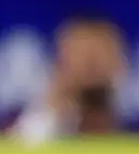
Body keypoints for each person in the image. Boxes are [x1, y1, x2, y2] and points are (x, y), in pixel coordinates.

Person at [7, 16, 129, 144]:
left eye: (100, 55)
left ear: (120, 63)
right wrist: (50, 112)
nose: (90, 65)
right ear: (59, 63)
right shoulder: (27, 126)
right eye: (81, 55)